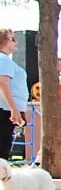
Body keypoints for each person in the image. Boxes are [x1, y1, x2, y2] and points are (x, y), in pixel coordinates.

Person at [0, 29, 27, 161]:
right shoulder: (3, 60)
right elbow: (3, 84)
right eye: (13, 39)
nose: (16, 42)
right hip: (4, 111)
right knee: (2, 150)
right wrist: (13, 109)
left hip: (6, 110)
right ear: (4, 41)